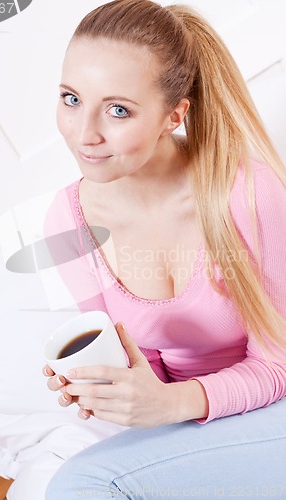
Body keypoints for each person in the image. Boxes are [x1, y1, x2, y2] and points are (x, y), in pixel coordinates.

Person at [42, 0, 286, 497]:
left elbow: (278, 364)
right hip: (193, 421)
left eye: (117, 110)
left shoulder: (248, 193)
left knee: (82, 483)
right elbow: (145, 370)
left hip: (273, 405)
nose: (84, 134)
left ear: (173, 115)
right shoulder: (67, 222)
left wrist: (171, 405)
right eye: (71, 99)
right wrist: (110, 387)